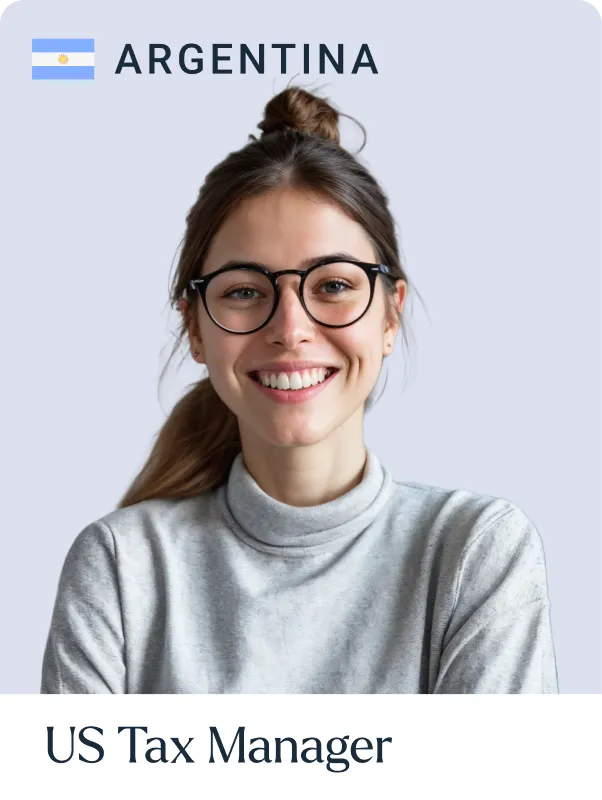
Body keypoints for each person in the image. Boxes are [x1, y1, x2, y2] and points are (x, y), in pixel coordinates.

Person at [40, 86, 559, 694]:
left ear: (390, 316)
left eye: (333, 285)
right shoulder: (119, 567)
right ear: (196, 329)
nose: (290, 330)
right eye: (242, 290)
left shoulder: (477, 552)